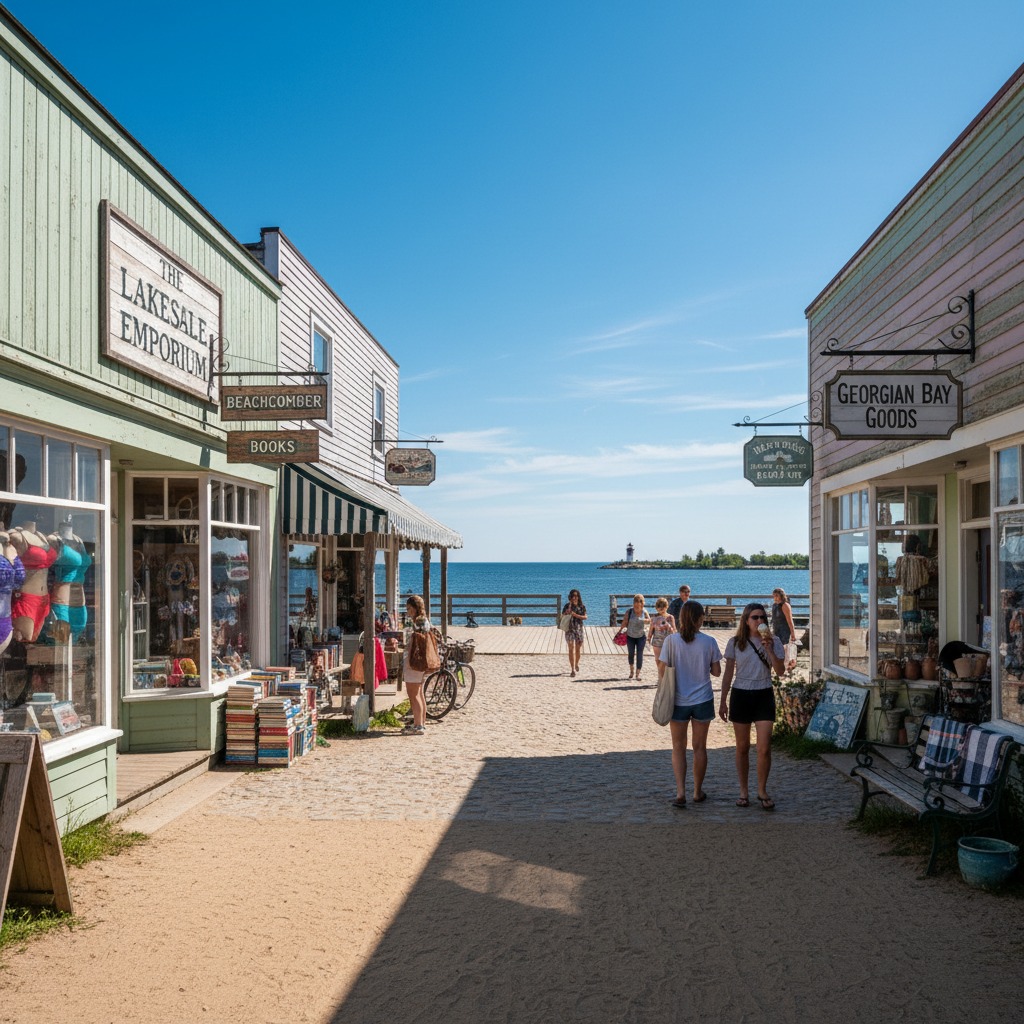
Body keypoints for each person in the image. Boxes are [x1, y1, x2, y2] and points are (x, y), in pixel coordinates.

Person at [719, 602, 786, 810]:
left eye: (762, 617)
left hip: (764, 693)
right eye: (755, 617)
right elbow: (728, 673)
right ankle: (743, 791)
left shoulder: (774, 641)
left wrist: (770, 650)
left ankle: (762, 790)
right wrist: (722, 700)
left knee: (764, 748)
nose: (759, 621)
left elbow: (780, 671)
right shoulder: (735, 642)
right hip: (741, 694)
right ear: (746, 620)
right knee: (742, 747)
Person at [659, 600, 721, 807]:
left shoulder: (671, 641)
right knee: (699, 747)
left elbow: (662, 669)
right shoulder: (709, 641)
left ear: (681, 618)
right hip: (703, 698)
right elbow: (716, 672)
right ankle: (697, 791)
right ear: (700, 619)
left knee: (678, 747)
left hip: (678, 699)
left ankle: (680, 793)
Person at [401, 594, 432, 735]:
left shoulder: (418, 622)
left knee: (413, 694)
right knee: (419, 693)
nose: (407, 611)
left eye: (409, 608)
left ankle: (418, 726)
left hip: (414, 661)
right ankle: (420, 723)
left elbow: (417, 642)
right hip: (419, 661)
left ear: (414, 608)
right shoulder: (423, 620)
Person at [619, 594, 651, 680]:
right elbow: (624, 622)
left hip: (641, 636)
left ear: (642, 604)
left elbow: (649, 621)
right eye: (635, 605)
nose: (636, 607)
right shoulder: (629, 611)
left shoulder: (644, 612)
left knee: (640, 654)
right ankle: (631, 670)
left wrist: (643, 620)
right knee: (631, 653)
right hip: (630, 636)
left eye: (638, 606)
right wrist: (620, 630)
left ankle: (638, 673)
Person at [648, 597, 676, 683]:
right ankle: (661, 677)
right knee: (658, 660)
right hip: (657, 642)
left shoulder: (670, 617)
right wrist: (648, 639)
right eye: (659, 606)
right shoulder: (654, 618)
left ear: (666, 607)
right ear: (656, 608)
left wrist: (669, 626)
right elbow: (651, 630)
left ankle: (664, 678)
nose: (661, 608)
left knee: (665, 661)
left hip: (668, 642)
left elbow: (674, 631)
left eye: (663, 606)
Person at [771, 587, 798, 670]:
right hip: (776, 630)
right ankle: (780, 667)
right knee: (777, 650)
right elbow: (774, 619)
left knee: (784, 650)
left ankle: (786, 667)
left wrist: (793, 634)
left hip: (784, 631)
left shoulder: (785, 605)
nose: (775, 597)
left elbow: (790, 621)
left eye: (777, 595)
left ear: (781, 596)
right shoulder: (774, 605)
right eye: (774, 596)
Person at [562, 589, 587, 677]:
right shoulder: (567, 606)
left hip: (578, 629)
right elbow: (562, 616)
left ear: (578, 597)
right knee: (570, 648)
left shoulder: (582, 606)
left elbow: (585, 617)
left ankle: (576, 663)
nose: (574, 598)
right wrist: (567, 612)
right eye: (573, 596)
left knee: (577, 649)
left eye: (576, 596)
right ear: (570, 597)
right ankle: (572, 669)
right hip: (569, 629)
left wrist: (576, 615)